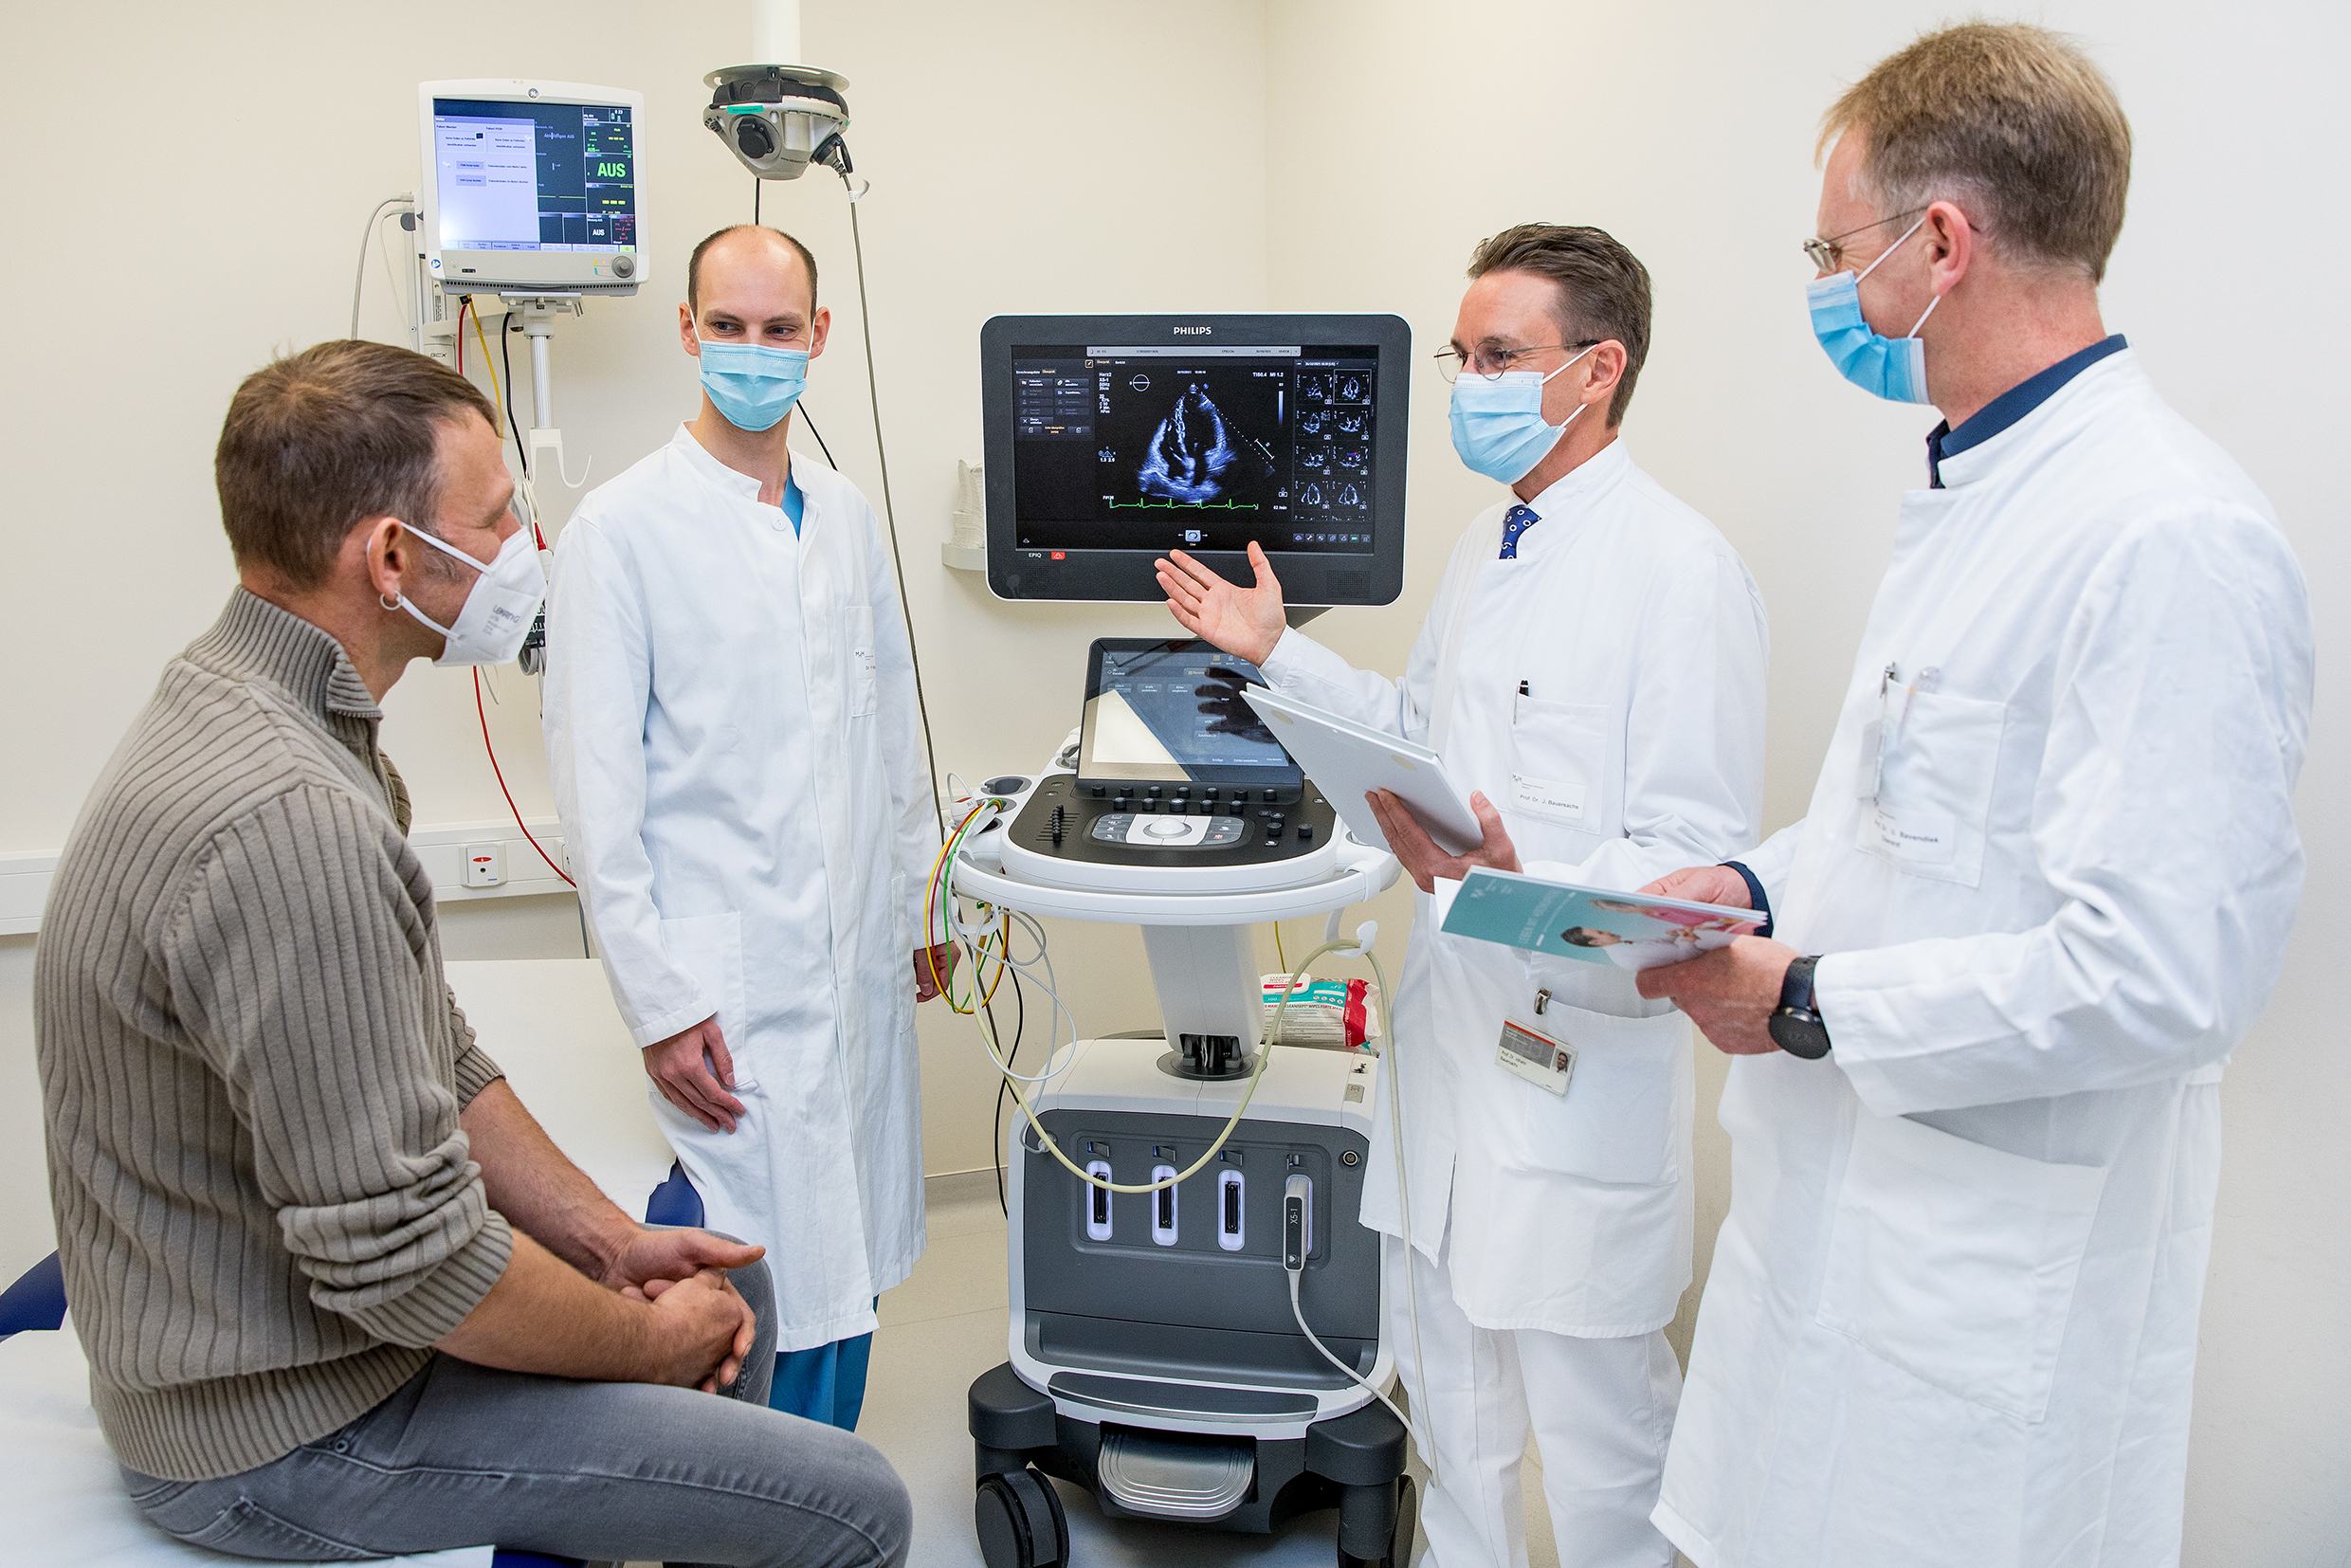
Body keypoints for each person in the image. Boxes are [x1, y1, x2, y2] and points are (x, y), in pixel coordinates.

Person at [33, 339, 910, 1566]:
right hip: (282, 1437)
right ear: (392, 556)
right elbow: (409, 1263)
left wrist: (613, 1240)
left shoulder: (259, 708)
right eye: (498, 519)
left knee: (735, 1282)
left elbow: (436, 1056)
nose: (526, 550)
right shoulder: (291, 822)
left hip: (271, 1344)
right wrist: (646, 1338)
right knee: (854, 1499)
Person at [1632, 25, 2312, 1568]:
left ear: (1942, 241)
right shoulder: (1975, 485)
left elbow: (2165, 975)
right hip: (1843, 1228)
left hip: (1984, 1295)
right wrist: (1746, 889)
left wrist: (1801, 999)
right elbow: (1904, 822)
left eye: (1835, 246)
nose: (1827, 286)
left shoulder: (2164, 534)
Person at [1158, 225, 1769, 1568]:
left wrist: (1506, 887)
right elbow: (1426, 731)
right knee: (1457, 1423)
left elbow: (1695, 878)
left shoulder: (1679, 569)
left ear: (1596, 368)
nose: (1469, 381)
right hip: (1449, 1063)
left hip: (1570, 1068)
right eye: (1463, 355)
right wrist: (1282, 657)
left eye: (1500, 355)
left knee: (1604, 1454)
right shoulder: (1493, 546)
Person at [542, 224, 946, 1431]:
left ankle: (822, 1500)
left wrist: (924, 901)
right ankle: (762, 1514)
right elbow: (596, 798)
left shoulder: (846, 516)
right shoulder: (620, 533)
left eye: (779, 330)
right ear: (687, 330)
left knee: (851, 1258)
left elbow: (891, 729)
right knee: (757, 1275)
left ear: (819, 338)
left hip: (854, 959)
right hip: (728, 981)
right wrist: (660, 1003)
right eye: (728, 325)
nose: (754, 352)